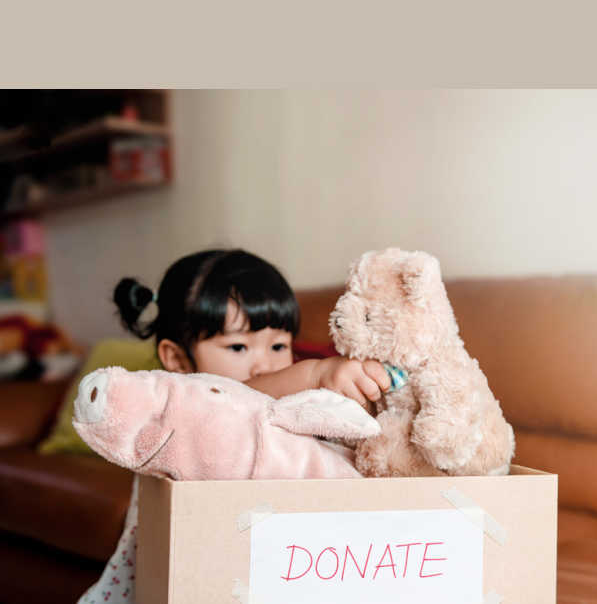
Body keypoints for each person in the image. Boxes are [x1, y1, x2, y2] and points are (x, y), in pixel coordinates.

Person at [77, 248, 389, 603]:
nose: (266, 365)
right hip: (188, 572)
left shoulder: (286, 407)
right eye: (239, 347)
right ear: (177, 360)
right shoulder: (180, 414)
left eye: (278, 345)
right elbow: (239, 403)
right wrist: (315, 373)